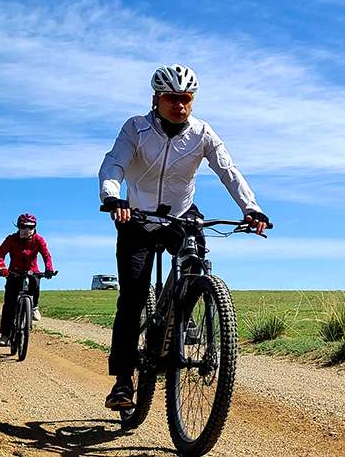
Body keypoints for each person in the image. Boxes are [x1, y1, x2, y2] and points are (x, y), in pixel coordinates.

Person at [98, 63, 270, 409]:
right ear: (156, 99)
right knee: (131, 299)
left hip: (180, 214)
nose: (179, 105)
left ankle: (184, 317)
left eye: (186, 98)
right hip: (136, 216)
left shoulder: (203, 133)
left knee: (196, 262)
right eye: (171, 98)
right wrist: (112, 196)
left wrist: (251, 208)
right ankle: (122, 381)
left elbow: (228, 170)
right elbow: (113, 163)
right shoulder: (136, 128)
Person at [0, 213, 55, 347]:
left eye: (31, 227)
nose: (27, 230)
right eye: (24, 226)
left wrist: (49, 268)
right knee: (9, 305)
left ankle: (34, 307)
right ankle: (5, 334)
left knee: (36, 282)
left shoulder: (38, 240)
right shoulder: (11, 239)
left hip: (32, 271)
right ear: (18, 226)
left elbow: (46, 255)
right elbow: (0, 254)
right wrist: (2, 266)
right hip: (14, 273)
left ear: (35, 227)